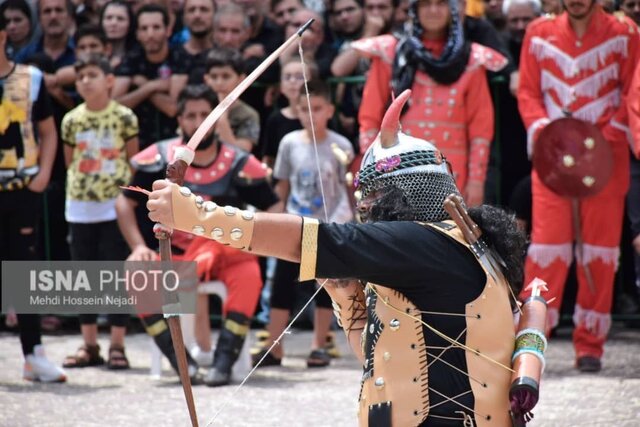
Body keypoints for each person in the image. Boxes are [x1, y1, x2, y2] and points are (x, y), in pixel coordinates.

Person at [146, 89, 532, 426]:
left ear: (406, 191)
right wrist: (347, 298)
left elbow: (305, 237)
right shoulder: (459, 244)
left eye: (376, 198)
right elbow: (378, 357)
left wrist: (197, 216)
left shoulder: (424, 243)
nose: (370, 209)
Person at [116, 84, 281, 386]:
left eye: (205, 114)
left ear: (216, 119)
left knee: (248, 271)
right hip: (173, 258)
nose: (198, 122)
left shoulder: (238, 162)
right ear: (179, 119)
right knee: (136, 269)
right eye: (190, 115)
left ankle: (225, 359)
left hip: (222, 255)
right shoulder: (157, 159)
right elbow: (123, 202)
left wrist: (252, 240)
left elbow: (274, 206)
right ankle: (180, 361)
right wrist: (138, 246)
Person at [517, 0, 639, 372]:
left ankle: (591, 345)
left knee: (600, 254)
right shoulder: (538, 33)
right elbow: (528, 94)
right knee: (545, 251)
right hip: (553, 157)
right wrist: (549, 133)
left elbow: (632, 92)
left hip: (608, 155)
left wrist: (600, 138)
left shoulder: (626, 34)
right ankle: (532, 342)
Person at [356, 0, 507, 207]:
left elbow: (480, 128)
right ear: (415, 10)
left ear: (453, 9)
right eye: (426, 4)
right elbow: (370, 119)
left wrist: (476, 181)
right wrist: (372, 175)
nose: (433, 10)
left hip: (453, 173)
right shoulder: (390, 52)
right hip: (396, 172)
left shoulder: (471, 58)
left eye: (441, 3)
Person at [252, 81, 354, 369]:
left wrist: (347, 223)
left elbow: (347, 189)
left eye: (317, 108)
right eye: (304, 109)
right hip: (295, 223)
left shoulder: (341, 145)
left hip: (328, 225)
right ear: (296, 111)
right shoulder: (289, 143)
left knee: (325, 284)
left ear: (330, 111)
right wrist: (277, 219)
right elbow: (282, 184)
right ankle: (275, 346)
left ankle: (318, 345)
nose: (310, 114)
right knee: (282, 284)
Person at [60, 53, 139, 370]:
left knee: (117, 275)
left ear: (109, 80)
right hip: (80, 207)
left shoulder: (124, 117)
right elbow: (70, 162)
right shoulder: (71, 120)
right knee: (84, 277)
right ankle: (89, 343)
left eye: (92, 74)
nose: (85, 81)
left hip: (114, 208)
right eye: (80, 76)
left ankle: (117, 344)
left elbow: (132, 160)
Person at [0, 12, 66, 383]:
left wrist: (42, 175)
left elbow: (48, 131)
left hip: (21, 189)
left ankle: (33, 353)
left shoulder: (32, 78)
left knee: (24, 273)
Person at [112, 3, 189, 150]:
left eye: (156, 27)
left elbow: (173, 108)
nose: (150, 34)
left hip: (174, 145)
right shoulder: (131, 59)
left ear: (168, 30)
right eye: (144, 28)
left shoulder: (180, 57)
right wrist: (150, 87)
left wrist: (142, 84)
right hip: (137, 145)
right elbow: (114, 106)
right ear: (137, 33)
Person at [261, 57, 318, 168]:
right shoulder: (275, 119)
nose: (292, 81)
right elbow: (269, 158)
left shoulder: (320, 116)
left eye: (299, 77)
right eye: (287, 77)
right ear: (281, 86)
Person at [203, 47, 261, 152]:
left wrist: (222, 114)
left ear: (241, 79)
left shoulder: (249, 115)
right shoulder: (197, 108)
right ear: (206, 79)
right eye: (214, 76)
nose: (219, 82)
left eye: (226, 76)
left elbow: (240, 153)